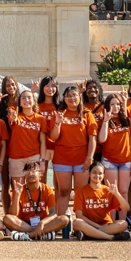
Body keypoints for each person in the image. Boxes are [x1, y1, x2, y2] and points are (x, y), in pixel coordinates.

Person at [47, 85, 96, 215]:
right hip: (62, 159)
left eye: (74, 95)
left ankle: (80, 222)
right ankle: (60, 221)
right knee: (64, 190)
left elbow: (92, 138)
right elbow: (53, 137)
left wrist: (89, 158)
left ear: (79, 96)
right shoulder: (59, 113)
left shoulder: (87, 114)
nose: (72, 98)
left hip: (82, 159)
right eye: (68, 95)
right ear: (64, 98)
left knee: (80, 191)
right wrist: (57, 123)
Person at [67, 161, 130, 240]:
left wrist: (117, 193)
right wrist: (98, 227)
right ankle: (110, 237)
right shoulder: (80, 191)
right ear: (89, 174)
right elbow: (79, 216)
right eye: (94, 172)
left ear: (103, 175)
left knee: (123, 224)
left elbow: (126, 208)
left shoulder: (108, 190)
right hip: (88, 225)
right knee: (77, 222)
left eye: (100, 173)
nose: (97, 175)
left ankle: (89, 234)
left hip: (106, 225)